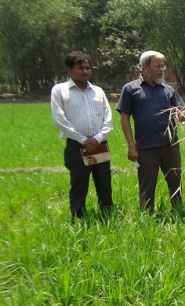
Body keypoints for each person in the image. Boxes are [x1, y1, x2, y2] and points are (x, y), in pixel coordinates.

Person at [118, 50, 185, 212]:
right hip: (145, 147)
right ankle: (147, 216)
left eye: (163, 66)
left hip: (170, 146)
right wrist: (131, 146)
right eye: (157, 66)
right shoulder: (131, 89)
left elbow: (181, 117)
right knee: (147, 185)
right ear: (145, 67)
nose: (162, 70)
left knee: (175, 182)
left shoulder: (168, 90)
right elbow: (124, 118)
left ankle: (178, 211)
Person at [50, 51, 114, 219]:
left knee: (104, 182)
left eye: (87, 68)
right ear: (69, 70)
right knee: (79, 183)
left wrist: (97, 138)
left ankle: (108, 215)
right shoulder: (60, 90)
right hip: (77, 145)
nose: (85, 71)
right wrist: (83, 139)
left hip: (98, 144)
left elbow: (108, 118)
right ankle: (78, 217)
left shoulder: (98, 91)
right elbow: (59, 119)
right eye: (80, 68)